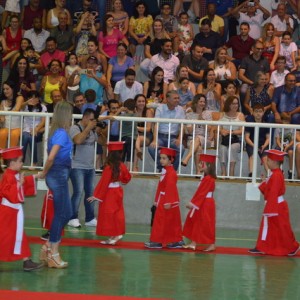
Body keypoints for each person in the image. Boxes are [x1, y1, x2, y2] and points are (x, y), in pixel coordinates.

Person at [38, 101, 74, 269]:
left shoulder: (57, 132)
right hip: (58, 174)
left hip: (59, 174)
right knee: (61, 214)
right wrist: (44, 172)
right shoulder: (60, 133)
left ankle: (47, 248)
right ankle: (53, 253)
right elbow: (51, 157)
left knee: (66, 213)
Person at [0, 147, 44, 271]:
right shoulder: (8, 175)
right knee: (6, 236)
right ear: (12, 163)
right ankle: (27, 261)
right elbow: (6, 191)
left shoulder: (12, 174)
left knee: (18, 235)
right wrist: (19, 184)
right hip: (8, 212)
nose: (22, 163)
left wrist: (35, 176)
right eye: (20, 161)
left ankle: (27, 261)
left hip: (12, 212)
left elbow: (21, 182)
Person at [249, 149, 300, 256]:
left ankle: (292, 246)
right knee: (277, 227)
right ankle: (263, 246)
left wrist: (270, 208)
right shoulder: (275, 174)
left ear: (274, 162)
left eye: (268, 160)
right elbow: (269, 190)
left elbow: (273, 192)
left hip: (276, 206)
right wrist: (264, 182)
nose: (266, 163)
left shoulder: (276, 175)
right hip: (276, 205)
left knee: (281, 227)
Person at [87, 141, 131, 245]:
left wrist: (96, 195)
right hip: (118, 191)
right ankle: (113, 235)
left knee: (108, 215)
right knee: (116, 213)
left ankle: (116, 234)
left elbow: (104, 182)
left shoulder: (108, 167)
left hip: (109, 193)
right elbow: (126, 178)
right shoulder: (122, 165)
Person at [144, 147, 184, 249]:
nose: (161, 160)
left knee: (164, 221)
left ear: (171, 160)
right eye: (161, 158)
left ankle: (159, 241)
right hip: (163, 199)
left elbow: (170, 188)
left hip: (167, 201)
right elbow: (160, 187)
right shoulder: (165, 171)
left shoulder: (171, 173)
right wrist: (156, 200)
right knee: (167, 221)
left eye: (164, 158)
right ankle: (175, 240)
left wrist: (168, 201)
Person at [67, 108, 99, 229]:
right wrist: (88, 128)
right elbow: (78, 141)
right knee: (78, 192)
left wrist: (101, 131)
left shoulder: (91, 130)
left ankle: (90, 218)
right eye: (91, 120)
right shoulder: (75, 128)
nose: (92, 122)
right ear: (84, 117)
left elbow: (101, 141)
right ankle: (72, 217)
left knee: (90, 193)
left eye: (93, 120)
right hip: (76, 166)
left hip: (90, 167)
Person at [182, 154, 217, 252]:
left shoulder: (209, 179)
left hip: (205, 204)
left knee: (207, 224)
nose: (200, 165)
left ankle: (211, 244)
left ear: (209, 165)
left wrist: (192, 204)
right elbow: (200, 193)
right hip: (202, 203)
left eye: (203, 163)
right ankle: (193, 243)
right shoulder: (205, 177)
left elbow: (202, 193)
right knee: (197, 222)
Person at [148, 90, 185, 172]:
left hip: (173, 138)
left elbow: (182, 126)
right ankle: (162, 168)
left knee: (181, 148)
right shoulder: (160, 108)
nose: (177, 100)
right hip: (160, 137)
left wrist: (179, 139)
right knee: (151, 148)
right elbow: (156, 124)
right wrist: (154, 140)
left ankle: (172, 170)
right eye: (175, 98)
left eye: (178, 98)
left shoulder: (180, 109)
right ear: (168, 99)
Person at [181, 94, 214, 174]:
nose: (202, 103)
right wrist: (195, 121)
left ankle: (187, 158)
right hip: (192, 139)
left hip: (205, 139)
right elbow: (188, 131)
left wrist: (201, 120)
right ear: (196, 103)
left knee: (198, 138)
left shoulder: (207, 114)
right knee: (198, 148)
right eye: (200, 101)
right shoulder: (189, 114)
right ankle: (198, 171)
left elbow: (209, 129)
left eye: (204, 102)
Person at [219, 96, 245, 177]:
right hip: (224, 140)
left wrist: (232, 132)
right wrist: (221, 131)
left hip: (236, 140)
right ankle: (223, 172)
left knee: (232, 148)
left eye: (237, 103)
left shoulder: (240, 115)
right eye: (233, 103)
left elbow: (242, 130)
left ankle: (231, 172)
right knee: (222, 149)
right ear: (228, 104)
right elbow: (218, 128)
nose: (235, 105)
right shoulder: (222, 114)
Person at [21, 90, 46, 169]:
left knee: (31, 137)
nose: (34, 99)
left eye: (35, 98)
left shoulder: (43, 107)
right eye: (31, 97)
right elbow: (20, 106)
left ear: (38, 99)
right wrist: (26, 102)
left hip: (37, 129)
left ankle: (34, 162)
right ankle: (21, 161)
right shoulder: (25, 106)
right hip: (26, 129)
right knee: (25, 137)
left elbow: (43, 121)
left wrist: (36, 129)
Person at [245, 103, 270, 178]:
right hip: (251, 144)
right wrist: (254, 145)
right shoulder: (249, 123)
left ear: (263, 113)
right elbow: (246, 138)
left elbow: (268, 138)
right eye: (256, 111)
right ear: (252, 112)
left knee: (265, 158)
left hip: (262, 144)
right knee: (252, 156)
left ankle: (269, 175)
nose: (258, 113)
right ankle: (251, 174)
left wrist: (264, 145)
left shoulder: (265, 124)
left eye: (260, 111)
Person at [0, 81, 24, 149]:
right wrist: (1, 119)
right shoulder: (2, 102)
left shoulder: (19, 98)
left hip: (17, 127)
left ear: (13, 89)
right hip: (5, 127)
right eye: (4, 89)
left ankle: (11, 157)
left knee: (14, 134)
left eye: (7, 89)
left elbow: (16, 109)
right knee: (2, 133)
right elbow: (2, 119)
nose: (5, 91)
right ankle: (1, 157)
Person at [133, 94, 154, 171]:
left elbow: (148, 129)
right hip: (135, 135)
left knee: (136, 139)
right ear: (135, 102)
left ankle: (135, 167)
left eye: (143, 101)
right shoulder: (132, 111)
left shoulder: (148, 111)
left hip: (147, 136)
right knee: (136, 140)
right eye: (139, 101)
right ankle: (138, 150)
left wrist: (136, 128)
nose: (141, 103)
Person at [274, 114, 295, 180]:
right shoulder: (278, 128)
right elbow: (277, 139)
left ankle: (291, 171)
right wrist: (281, 147)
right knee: (278, 152)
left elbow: (292, 141)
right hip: (280, 145)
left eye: (288, 121)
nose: (286, 123)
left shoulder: (292, 129)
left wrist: (287, 146)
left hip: (289, 146)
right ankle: (279, 170)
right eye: (285, 121)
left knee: (291, 152)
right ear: (282, 121)